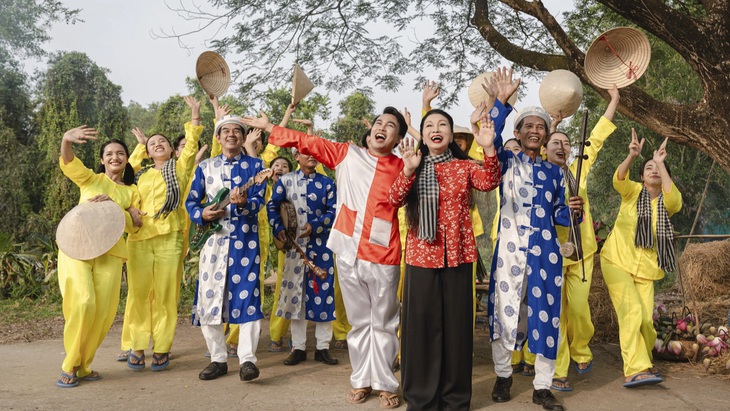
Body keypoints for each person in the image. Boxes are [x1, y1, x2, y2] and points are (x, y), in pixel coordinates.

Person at [243, 107, 407, 409]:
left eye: (391, 125)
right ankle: (361, 380)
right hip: (347, 248)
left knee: (383, 322)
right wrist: (271, 129)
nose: (382, 127)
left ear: (397, 138)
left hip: (384, 251)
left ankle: (385, 383)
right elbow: (309, 142)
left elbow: (409, 196)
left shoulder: (402, 165)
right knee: (359, 322)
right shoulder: (347, 153)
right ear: (370, 131)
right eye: (379, 123)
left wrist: (411, 165)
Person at [388, 109, 501, 409]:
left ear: (451, 135)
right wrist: (409, 171)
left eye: (443, 125)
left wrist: (488, 147)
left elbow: (490, 180)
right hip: (421, 259)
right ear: (421, 134)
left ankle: (454, 399)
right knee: (420, 331)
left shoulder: (463, 166)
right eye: (429, 125)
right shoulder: (412, 163)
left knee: (456, 331)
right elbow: (394, 200)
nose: (436, 129)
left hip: (458, 258)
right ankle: (421, 398)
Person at [485, 67, 583, 411]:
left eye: (540, 127)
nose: (535, 131)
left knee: (545, 316)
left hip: (546, 256)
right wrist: (501, 100)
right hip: (508, 254)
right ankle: (503, 375)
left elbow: (560, 215)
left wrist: (574, 210)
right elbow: (490, 139)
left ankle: (542, 387)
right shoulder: (504, 161)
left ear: (545, 136)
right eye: (528, 125)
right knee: (504, 312)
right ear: (519, 131)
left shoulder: (555, 172)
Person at [543, 86, 620, 391]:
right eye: (555, 143)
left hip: (582, 252)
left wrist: (613, 100)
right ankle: (559, 370)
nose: (561, 146)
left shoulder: (579, 168)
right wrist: (552, 127)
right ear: (546, 150)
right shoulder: (539, 173)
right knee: (556, 315)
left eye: (565, 143)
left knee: (577, 309)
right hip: (551, 253)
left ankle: (581, 349)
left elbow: (597, 137)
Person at [122, 96, 203, 371]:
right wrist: (141, 146)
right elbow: (122, 178)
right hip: (139, 238)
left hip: (170, 236)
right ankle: (137, 345)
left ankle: (162, 347)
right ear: (147, 150)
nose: (158, 144)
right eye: (152, 143)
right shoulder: (139, 174)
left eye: (163, 142)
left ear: (171, 150)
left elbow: (190, 147)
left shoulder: (179, 169)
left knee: (166, 294)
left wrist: (194, 115)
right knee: (139, 293)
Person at [56, 127, 141, 387]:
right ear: (103, 160)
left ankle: (83, 365)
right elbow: (69, 163)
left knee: (103, 314)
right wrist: (66, 141)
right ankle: (69, 364)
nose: (115, 157)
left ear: (127, 159)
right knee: (83, 302)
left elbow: (135, 223)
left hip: (111, 254)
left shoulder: (131, 192)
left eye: (120, 153)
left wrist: (114, 207)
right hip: (77, 249)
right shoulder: (91, 180)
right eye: (109, 154)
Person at [186, 114, 268, 381]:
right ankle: (218, 359)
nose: (231, 134)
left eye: (237, 131)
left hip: (246, 243)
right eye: (226, 131)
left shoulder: (257, 166)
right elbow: (192, 202)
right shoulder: (205, 167)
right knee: (208, 299)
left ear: (244, 138)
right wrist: (202, 215)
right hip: (212, 245)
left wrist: (243, 203)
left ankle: (247, 360)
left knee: (248, 299)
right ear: (218, 138)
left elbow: (259, 202)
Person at [600, 130, 681, 388]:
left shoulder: (666, 204)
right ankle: (635, 369)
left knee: (647, 321)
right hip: (616, 261)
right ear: (642, 176)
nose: (653, 170)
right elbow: (618, 179)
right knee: (632, 313)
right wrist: (632, 156)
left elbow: (675, 199)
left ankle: (643, 361)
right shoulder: (633, 192)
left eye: (657, 168)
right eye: (649, 168)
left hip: (646, 269)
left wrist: (659, 161)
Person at [268, 149, 338, 366]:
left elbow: (334, 210)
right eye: (305, 153)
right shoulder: (286, 181)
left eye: (314, 152)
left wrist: (315, 226)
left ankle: (322, 347)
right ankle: (298, 347)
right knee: (295, 295)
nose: (311, 156)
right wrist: (278, 228)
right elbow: (272, 206)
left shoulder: (327, 183)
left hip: (321, 247)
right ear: (296, 157)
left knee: (323, 294)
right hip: (293, 247)